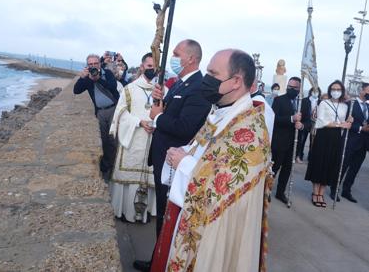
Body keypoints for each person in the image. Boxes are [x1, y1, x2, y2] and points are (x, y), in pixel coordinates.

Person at [151, 49, 271, 272]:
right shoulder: (223, 112)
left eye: (212, 73)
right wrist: (185, 152)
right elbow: (205, 151)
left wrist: (183, 163)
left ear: (236, 81)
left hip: (216, 232)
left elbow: (222, 187)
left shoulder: (249, 130)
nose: (206, 80)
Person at [133, 39, 211, 272]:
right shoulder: (179, 84)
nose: (173, 58)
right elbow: (170, 113)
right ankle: (158, 259)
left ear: (191, 59)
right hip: (163, 158)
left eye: (177, 54)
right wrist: (160, 100)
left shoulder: (198, 88)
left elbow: (185, 127)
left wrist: (157, 117)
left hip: (174, 163)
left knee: (169, 216)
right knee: (163, 214)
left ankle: (162, 263)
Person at [109, 53, 160, 223]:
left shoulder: (162, 90)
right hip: (133, 138)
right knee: (129, 178)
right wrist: (138, 122)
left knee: (149, 175)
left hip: (152, 140)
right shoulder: (129, 89)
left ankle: (145, 213)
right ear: (142, 66)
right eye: (149, 66)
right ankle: (124, 211)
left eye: (155, 67)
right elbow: (121, 113)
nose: (151, 70)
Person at [305, 80, 351, 208]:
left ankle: (322, 193)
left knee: (330, 164)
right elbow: (320, 121)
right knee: (320, 163)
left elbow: (345, 121)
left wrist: (347, 122)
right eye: (333, 89)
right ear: (330, 90)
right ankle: (315, 193)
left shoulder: (345, 106)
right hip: (323, 136)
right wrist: (339, 124)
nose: (336, 91)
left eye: (338, 89)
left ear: (342, 91)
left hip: (336, 138)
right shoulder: (324, 103)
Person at [73, 54, 120, 179]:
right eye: (90, 64)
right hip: (100, 112)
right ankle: (105, 168)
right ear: (87, 66)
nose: (93, 66)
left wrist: (98, 79)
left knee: (113, 139)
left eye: (95, 63)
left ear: (99, 63)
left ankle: (113, 167)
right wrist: (82, 78)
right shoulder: (87, 78)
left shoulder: (108, 73)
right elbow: (76, 91)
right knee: (103, 140)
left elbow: (112, 87)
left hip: (113, 109)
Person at [271, 77, 311, 204]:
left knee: (287, 169)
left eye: (294, 87)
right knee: (274, 168)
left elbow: (308, 122)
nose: (291, 89)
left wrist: (302, 126)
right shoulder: (279, 100)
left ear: (299, 88)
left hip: (294, 142)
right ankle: (266, 191)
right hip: (279, 141)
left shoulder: (304, 103)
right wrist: (291, 119)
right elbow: (274, 118)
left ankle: (280, 192)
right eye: (289, 86)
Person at [337, 83, 369, 203]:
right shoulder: (350, 104)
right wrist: (360, 128)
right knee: (343, 166)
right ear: (361, 91)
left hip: (364, 143)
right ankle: (334, 188)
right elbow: (344, 121)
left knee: (355, 169)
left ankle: (346, 190)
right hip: (351, 141)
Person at [296, 86, 321, 163]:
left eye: (317, 92)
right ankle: (299, 156)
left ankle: (311, 157)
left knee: (313, 142)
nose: (315, 93)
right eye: (314, 91)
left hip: (315, 124)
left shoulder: (321, 102)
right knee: (301, 140)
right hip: (305, 123)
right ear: (310, 91)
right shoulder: (304, 100)